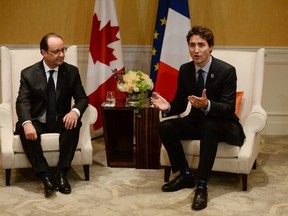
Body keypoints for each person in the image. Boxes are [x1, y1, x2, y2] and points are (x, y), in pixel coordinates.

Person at [151, 25, 245, 210]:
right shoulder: (185, 70)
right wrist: (168, 106)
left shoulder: (226, 71)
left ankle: (202, 185)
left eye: (201, 45)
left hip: (223, 123)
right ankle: (186, 175)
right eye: (192, 45)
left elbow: (227, 108)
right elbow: (180, 102)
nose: (196, 50)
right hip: (197, 121)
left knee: (208, 126)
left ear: (211, 47)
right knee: (166, 127)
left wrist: (207, 104)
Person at [15, 33, 88, 198]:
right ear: (43, 52)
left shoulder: (71, 71)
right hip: (37, 120)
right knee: (23, 128)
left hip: (60, 119)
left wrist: (74, 112)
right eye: (56, 51)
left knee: (74, 123)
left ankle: (62, 173)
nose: (61, 54)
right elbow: (22, 102)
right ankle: (46, 175)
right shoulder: (28, 74)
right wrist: (26, 122)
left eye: (63, 50)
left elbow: (82, 98)